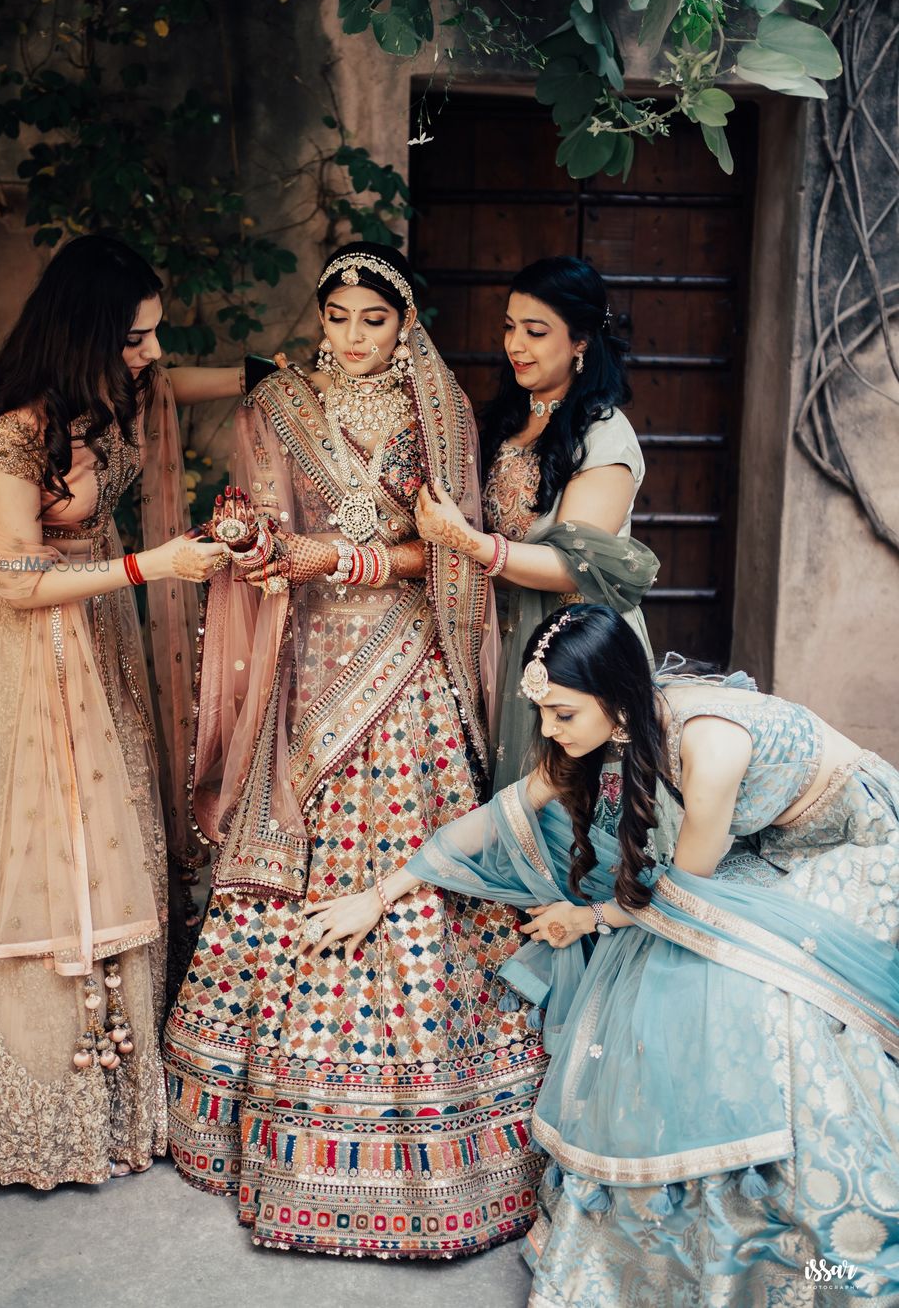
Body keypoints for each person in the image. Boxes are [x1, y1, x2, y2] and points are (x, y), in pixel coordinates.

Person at [305, 604, 899, 1301]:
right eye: (544, 714)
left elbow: (687, 898)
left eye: (562, 714)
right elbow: (511, 811)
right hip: (761, 848)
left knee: (748, 993)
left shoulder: (710, 745)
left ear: (613, 699)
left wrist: (587, 918)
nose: (550, 731)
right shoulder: (632, 720)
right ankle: (676, 1216)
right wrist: (382, 893)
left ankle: (794, 1226)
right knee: (653, 969)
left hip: (856, 844)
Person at [163, 242, 548, 1257]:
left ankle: (422, 1121)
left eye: (372, 320)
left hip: (402, 655)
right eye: (336, 316)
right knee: (293, 851)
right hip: (307, 661)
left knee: (404, 857)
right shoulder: (279, 404)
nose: (351, 336)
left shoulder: (441, 408)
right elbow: (261, 513)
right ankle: (257, 1119)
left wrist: (345, 553)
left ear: (404, 321)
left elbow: (449, 551)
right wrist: (247, 537)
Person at [0, 234, 239, 1188]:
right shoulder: (21, 429)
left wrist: (277, 372)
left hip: (101, 642)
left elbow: (187, 387)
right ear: (92, 330)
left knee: (121, 829)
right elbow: (12, 580)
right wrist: (151, 566)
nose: (151, 355)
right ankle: (30, 1088)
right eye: (137, 337)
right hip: (33, 650)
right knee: (50, 849)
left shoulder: (112, 399)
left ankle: (119, 1086)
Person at [414, 256, 658, 793]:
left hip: (576, 648)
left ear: (581, 342)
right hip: (503, 633)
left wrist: (466, 542)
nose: (515, 344)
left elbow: (575, 569)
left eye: (536, 331)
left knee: (567, 810)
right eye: (509, 326)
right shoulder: (512, 416)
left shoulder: (605, 437)